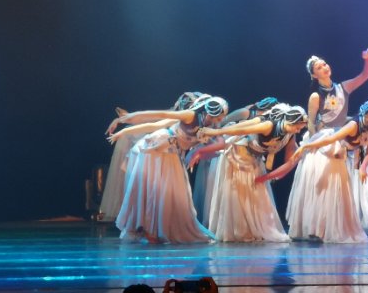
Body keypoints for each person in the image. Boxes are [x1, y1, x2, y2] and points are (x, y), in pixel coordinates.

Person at [262, 98, 368, 243]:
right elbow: (330, 139)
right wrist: (306, 146)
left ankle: (327, 229)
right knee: (323, 190)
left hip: (338, 155)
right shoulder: (353, 125)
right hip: (324, 151)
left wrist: (363, 167)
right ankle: (315, 229)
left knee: (337, 192)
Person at [108, 96, 229, 244]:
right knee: (156, 191)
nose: (220, 120)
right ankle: (150, 230)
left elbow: (222, 143)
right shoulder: (190, 115)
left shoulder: (212, 126)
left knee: (173, 194)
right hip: (159, 147)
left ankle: (159, 230)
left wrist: (198, 152)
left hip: (173, 153)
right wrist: (123, 123)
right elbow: (158, 117)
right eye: (218, 117)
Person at [186, 104, 307, 242]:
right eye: (297, 127)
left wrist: (268, 177)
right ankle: (239, 230)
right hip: (238, 154)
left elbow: (290, 162)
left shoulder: (290, 135)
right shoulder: (268, 125)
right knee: (239, 196)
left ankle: (253, 230)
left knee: (257, 197)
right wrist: (215, 132)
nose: (298, 131)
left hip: (255, 159)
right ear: (291, 121)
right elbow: (242, 128)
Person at [98, 92, 201, 222]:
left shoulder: (199, 123)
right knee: (152, 188)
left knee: (167, 191)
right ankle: (145, 219)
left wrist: (198, 152)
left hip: (171, 155)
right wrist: (122, 125)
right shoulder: (178, 118)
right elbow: (152, 120)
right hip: (157, 149)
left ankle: (158, 220)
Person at [192, 96, 279, 226]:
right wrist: (214, 138)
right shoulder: (246, 113)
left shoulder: (269, 123)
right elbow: (222, 122)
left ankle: (248, 222)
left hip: (251, 156)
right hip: (230, 151)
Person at [306, 49, 368, 135]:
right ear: (314, 75)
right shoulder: (316, 97)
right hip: (325, 136)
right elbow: (311, 123)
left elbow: (365, 75)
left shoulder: (343, 87)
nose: (324, 68)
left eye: (324, 64)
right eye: (319, 68)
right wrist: (314, 142)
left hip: (341, 134)